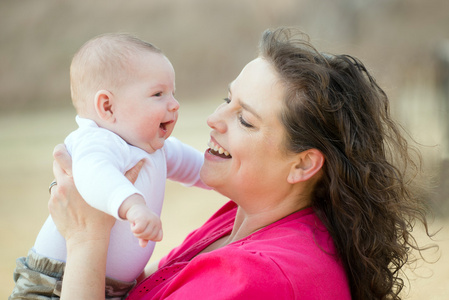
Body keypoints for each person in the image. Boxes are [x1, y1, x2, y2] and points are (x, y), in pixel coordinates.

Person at [47, 27, 433, 299]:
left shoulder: (254, 280)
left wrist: (85, 238)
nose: (214, 119)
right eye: (225, 98)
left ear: (302, 165)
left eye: (244, 119)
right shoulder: (239, 216)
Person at [10, 33, 209, 299]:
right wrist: (133, 205)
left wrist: (235, 180)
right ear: (107, 107)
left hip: (112, 287)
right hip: (53, 282)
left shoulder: (153, 146)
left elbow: (200, 169)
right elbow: (94, 177)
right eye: (158, 93)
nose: (174, 104)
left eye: (173, 93)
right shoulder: (99, 141)